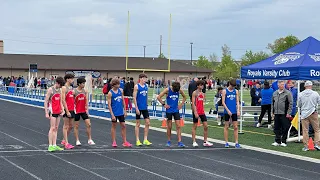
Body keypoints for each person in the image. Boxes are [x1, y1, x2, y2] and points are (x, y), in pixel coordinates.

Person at [157, 82, 187, 148]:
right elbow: (158, 97)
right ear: (172, 87)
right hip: (169, 110)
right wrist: (164, 104)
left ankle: (179, 141)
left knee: (178, 126)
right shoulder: (167, 90)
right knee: (169, 126)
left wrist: (181, 105)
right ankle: (168, 141)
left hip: (176, 110)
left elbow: (185, 97)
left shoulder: (179, 90)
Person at [107, 78, 132, 147]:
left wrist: (125, 110)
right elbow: (109, 105)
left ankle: (124, 141)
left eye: (119, 84)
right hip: (114, 112)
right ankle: (114, 142)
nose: (118, 85)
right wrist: (112, 114)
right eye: (117, 84)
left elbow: (123, 101)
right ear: (113, 85)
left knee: (123, 126)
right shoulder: (110, 93)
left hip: (121, 112)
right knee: (114, 126)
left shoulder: (120, 91)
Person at [297, 81, 320, 151]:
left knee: (305, 130)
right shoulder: (315, 93)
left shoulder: (300, 94)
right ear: (311, 86)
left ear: (305, 86)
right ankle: (317, 144)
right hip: (313, 113)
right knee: (317, 130)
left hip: (304, 113)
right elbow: (319, 103)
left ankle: (306, 146)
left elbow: (299, 105)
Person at [44, 77, 65, 152]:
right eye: (60, 85)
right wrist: (46, 112)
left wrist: (63, 109)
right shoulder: (50, 90)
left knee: (56, 128)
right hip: (52, 111)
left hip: (58, 111)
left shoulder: (60, 90)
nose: (60, 86)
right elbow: (46, 101)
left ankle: (54, 145)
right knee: (52, 128)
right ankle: (50, 145)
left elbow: (60, 101)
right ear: (57, 83)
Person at [74, 77, 95, 146]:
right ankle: (77, 140)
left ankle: (90, 139)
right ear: (79, 84)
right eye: (83, 83)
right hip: (76, 110)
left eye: (84, 83)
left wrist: (87, 110)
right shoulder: (74, 91)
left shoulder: (85, 91)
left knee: (89, 124)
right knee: (76, 126)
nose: (84, 84)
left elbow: (86, 101)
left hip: (83, 110)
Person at [191, 80, 213, 147]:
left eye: (203, 85)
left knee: (206, 126)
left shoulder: (203, 94)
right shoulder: (194, 93)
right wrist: (195, 112)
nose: (202, 86)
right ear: (198, 86)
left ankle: (205, 141)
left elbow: (203, 102)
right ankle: (194, 141)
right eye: (201, 85)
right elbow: (193, 103)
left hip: (202, 112)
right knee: (195, 126)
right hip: (196, 111)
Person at [271, 80, 293, 147]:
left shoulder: (287, 93)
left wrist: (288, 112)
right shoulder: (275, 93)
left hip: (284, 113)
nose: (282, 86)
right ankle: (277, 140)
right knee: (276, 127)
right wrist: (272, 112)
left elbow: (290, 103)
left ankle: (284, 141)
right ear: (278, 85)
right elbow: (272, 103)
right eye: (281, 84)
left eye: (283, 84)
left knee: (285, 127)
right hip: (276, 112)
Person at [133, 73, 152, 146]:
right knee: (138, 123)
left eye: (146, 78)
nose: (145, 80)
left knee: (147, 122)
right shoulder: (136, 86)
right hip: (139, 107)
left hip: (144, 107)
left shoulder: (146, 86)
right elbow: (134, 97)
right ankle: (137, 140)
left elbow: (146, 96)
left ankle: (145, 139)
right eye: (144, 78)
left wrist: (147, 104)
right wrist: (136, 108)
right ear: (140, 78)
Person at [222, 79, 241, 148]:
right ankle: (226, 142)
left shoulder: (236, 91)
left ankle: (236, 142)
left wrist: (238, 110)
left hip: (234, 111)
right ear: (229, 84)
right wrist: (227, 110)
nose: (232, 87)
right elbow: (223, 102)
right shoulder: (225, 91)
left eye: (234, 86)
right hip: (227, 111)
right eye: (232, 86)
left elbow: (237, 101)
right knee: (226, 126)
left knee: (235, 127)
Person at [60, 74, 75, 149]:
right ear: (67, 79)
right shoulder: (64, 88)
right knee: (66, 126)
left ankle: (63, 140)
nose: (73, 80)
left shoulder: (71, 87)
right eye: (72, 79)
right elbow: (63, 100)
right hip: (67, 109)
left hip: (72, 108)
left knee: (71, 126)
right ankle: (66, 142)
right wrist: (67, 110)